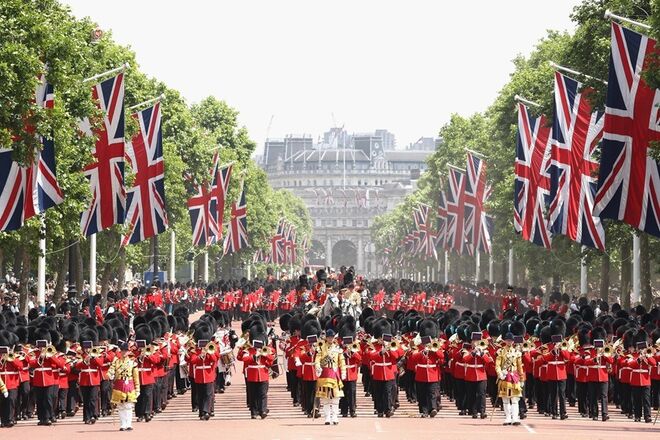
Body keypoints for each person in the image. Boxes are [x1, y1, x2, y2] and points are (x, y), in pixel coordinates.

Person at [314, 329, 346, 425]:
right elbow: (317, 360)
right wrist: (318, 367)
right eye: (328, 337)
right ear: (326, 338)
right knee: (325, 398)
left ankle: (335, 416)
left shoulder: (337, 349)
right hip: (324, 374)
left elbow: (342, 362)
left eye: (332, 337)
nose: (330, 339)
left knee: (336, 397)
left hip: (334, 374)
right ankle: (327, 416)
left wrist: (343, 372)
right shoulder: (321, 348)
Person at [107, 342, 140, 431]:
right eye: (123, 351)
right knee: (120, 406)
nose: (124, 353)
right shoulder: (116, 362)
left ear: (129, 352)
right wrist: (110, 375)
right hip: (119, 384)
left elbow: (136, 377)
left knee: (128, 405)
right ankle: (123, 424)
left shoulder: (133, 363)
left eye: (126, 351)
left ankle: (129, 423)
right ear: (120, 351)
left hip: (129, 384)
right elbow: (110, 371)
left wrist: (137, 389)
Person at [495, 333, 524, 426]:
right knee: (505, 400)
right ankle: (507, 417)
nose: (509, 342)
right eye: (507, 340)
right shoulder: (500, 351)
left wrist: (522, 378)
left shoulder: (517, 352)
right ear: (505, 341)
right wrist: (500, 373)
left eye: (511, 340)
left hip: (514, 377)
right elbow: (497, 365)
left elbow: (519, 367)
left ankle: (515, 417)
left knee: (515, 399)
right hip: (505, 377)